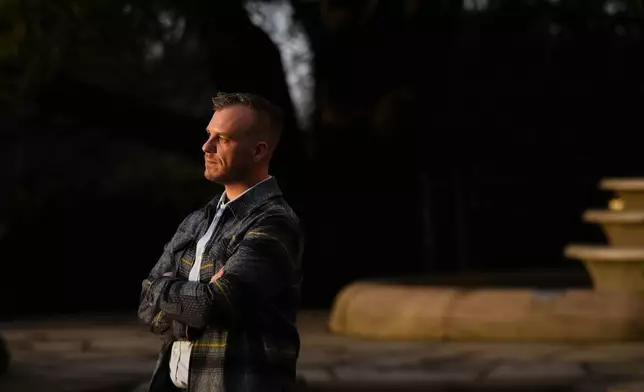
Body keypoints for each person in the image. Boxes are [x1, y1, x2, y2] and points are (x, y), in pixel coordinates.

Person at [138, 92, 304, 392]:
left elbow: (215, 305)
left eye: (223, 139)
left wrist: (163, 287)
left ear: (258, 151)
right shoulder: (197, 220)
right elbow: (145, 306)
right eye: (208, 135)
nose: (206, 147)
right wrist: (189, 306)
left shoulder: (273, 223)